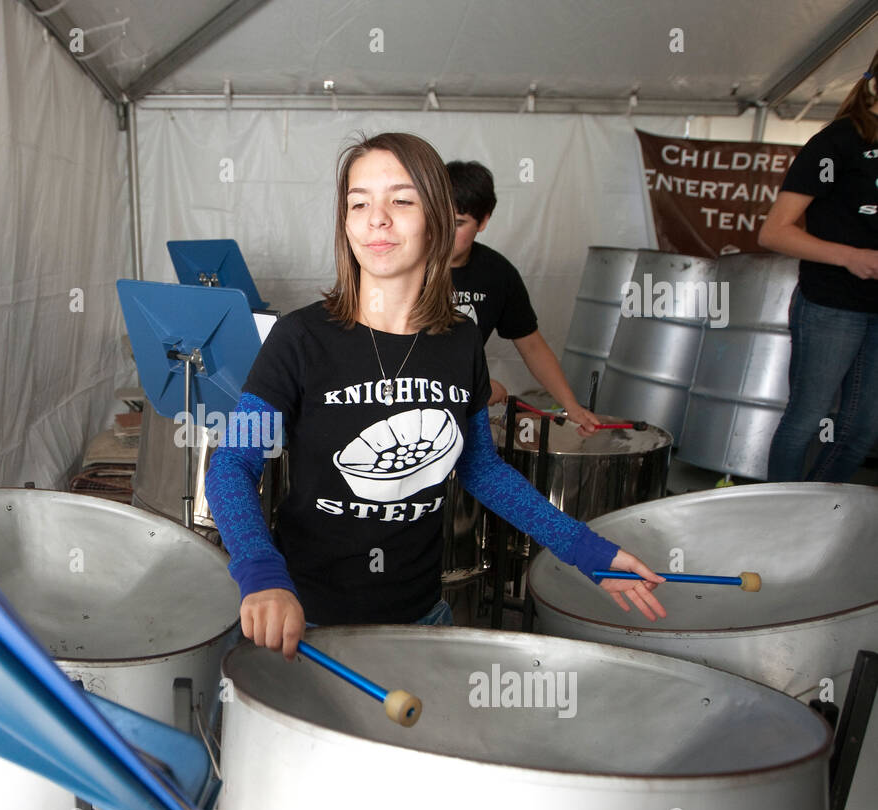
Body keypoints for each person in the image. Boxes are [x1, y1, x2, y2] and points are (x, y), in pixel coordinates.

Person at [204, 132, 665, 660]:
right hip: (305, 623)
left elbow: (480, 468)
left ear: (436, 221)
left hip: (418, 618)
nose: (377, 218)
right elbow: (232, 463)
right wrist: (261, 572)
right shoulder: (299, 338)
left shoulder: (460, 341)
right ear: (346, 223)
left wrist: (584, 548)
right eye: (359, 203)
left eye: (400, 200)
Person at [762, 53, 878, 483]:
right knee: (806, 420)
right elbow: (773, 232)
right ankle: (779, 517)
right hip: (832, 303)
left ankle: (817, 513)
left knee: (862, 429)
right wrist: (852, 257)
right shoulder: (837, 142)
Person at [446, 160, 601, 434]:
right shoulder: (403, 266)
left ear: (483, 221)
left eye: (458, 223)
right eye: (437, 218)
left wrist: (570, 405)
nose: (444, 232)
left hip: (462, 405)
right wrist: (477, 389)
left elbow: (531, 344)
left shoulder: (497, 273)